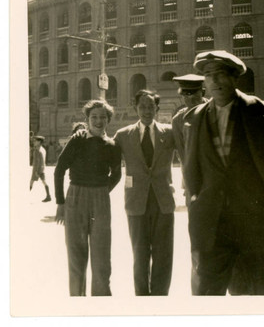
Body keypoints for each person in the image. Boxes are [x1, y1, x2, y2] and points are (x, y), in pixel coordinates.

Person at [182, 50, 264, 295]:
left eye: (221, 74)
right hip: (212, 229)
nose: (215, 81)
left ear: (234, 78)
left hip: (258, 228)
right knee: (206, 296)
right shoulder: (194, 119)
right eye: (209, 75)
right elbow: (192, 174)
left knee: (257, 295)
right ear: (204, 82)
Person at [54, 99, 122, 296]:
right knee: (76, 255)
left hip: (100, 198)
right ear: (87, 119)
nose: (98, 121)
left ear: (108, 120)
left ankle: (100, 303)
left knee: (101, 257)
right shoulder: (78, 140)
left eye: (103, 117)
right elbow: (59, 170)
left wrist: (102, 191)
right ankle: (77, 302)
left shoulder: (112, 145)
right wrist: (60, 203)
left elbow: (116, 174)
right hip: (75, 196)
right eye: (94, 117)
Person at [114, 89, 176, 296]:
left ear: (157, 109)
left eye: (151, 106)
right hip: (136, 201)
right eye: (142, 106)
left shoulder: (169, 133)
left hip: (163, 201)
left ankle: (160, 296)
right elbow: (104, 149)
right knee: (139, 254)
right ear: (135, 108)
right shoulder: (123, 136)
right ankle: (142, 297)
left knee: (164, 254)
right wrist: (82, 133)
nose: (147, 110)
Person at [171, 74, 208, 293]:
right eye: (185, 94)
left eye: (193, 93)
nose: (189, 98)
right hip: (195, 186)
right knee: (197, 237)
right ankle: (200, 287)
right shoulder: (178, 120)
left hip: (222, 184)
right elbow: (182, 156)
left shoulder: (215, 111)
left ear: (203, 93)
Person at [30, 135, 52, 202]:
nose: (34, 142)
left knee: (31, 182)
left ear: (39, 142)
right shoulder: (42, 149)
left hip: (37, 170)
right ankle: (48, 196)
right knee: (43, 182)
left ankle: (23, 197)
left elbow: (39, 161)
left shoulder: (38, 150)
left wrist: (37, 171)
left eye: (36, 141)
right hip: (41, 169)